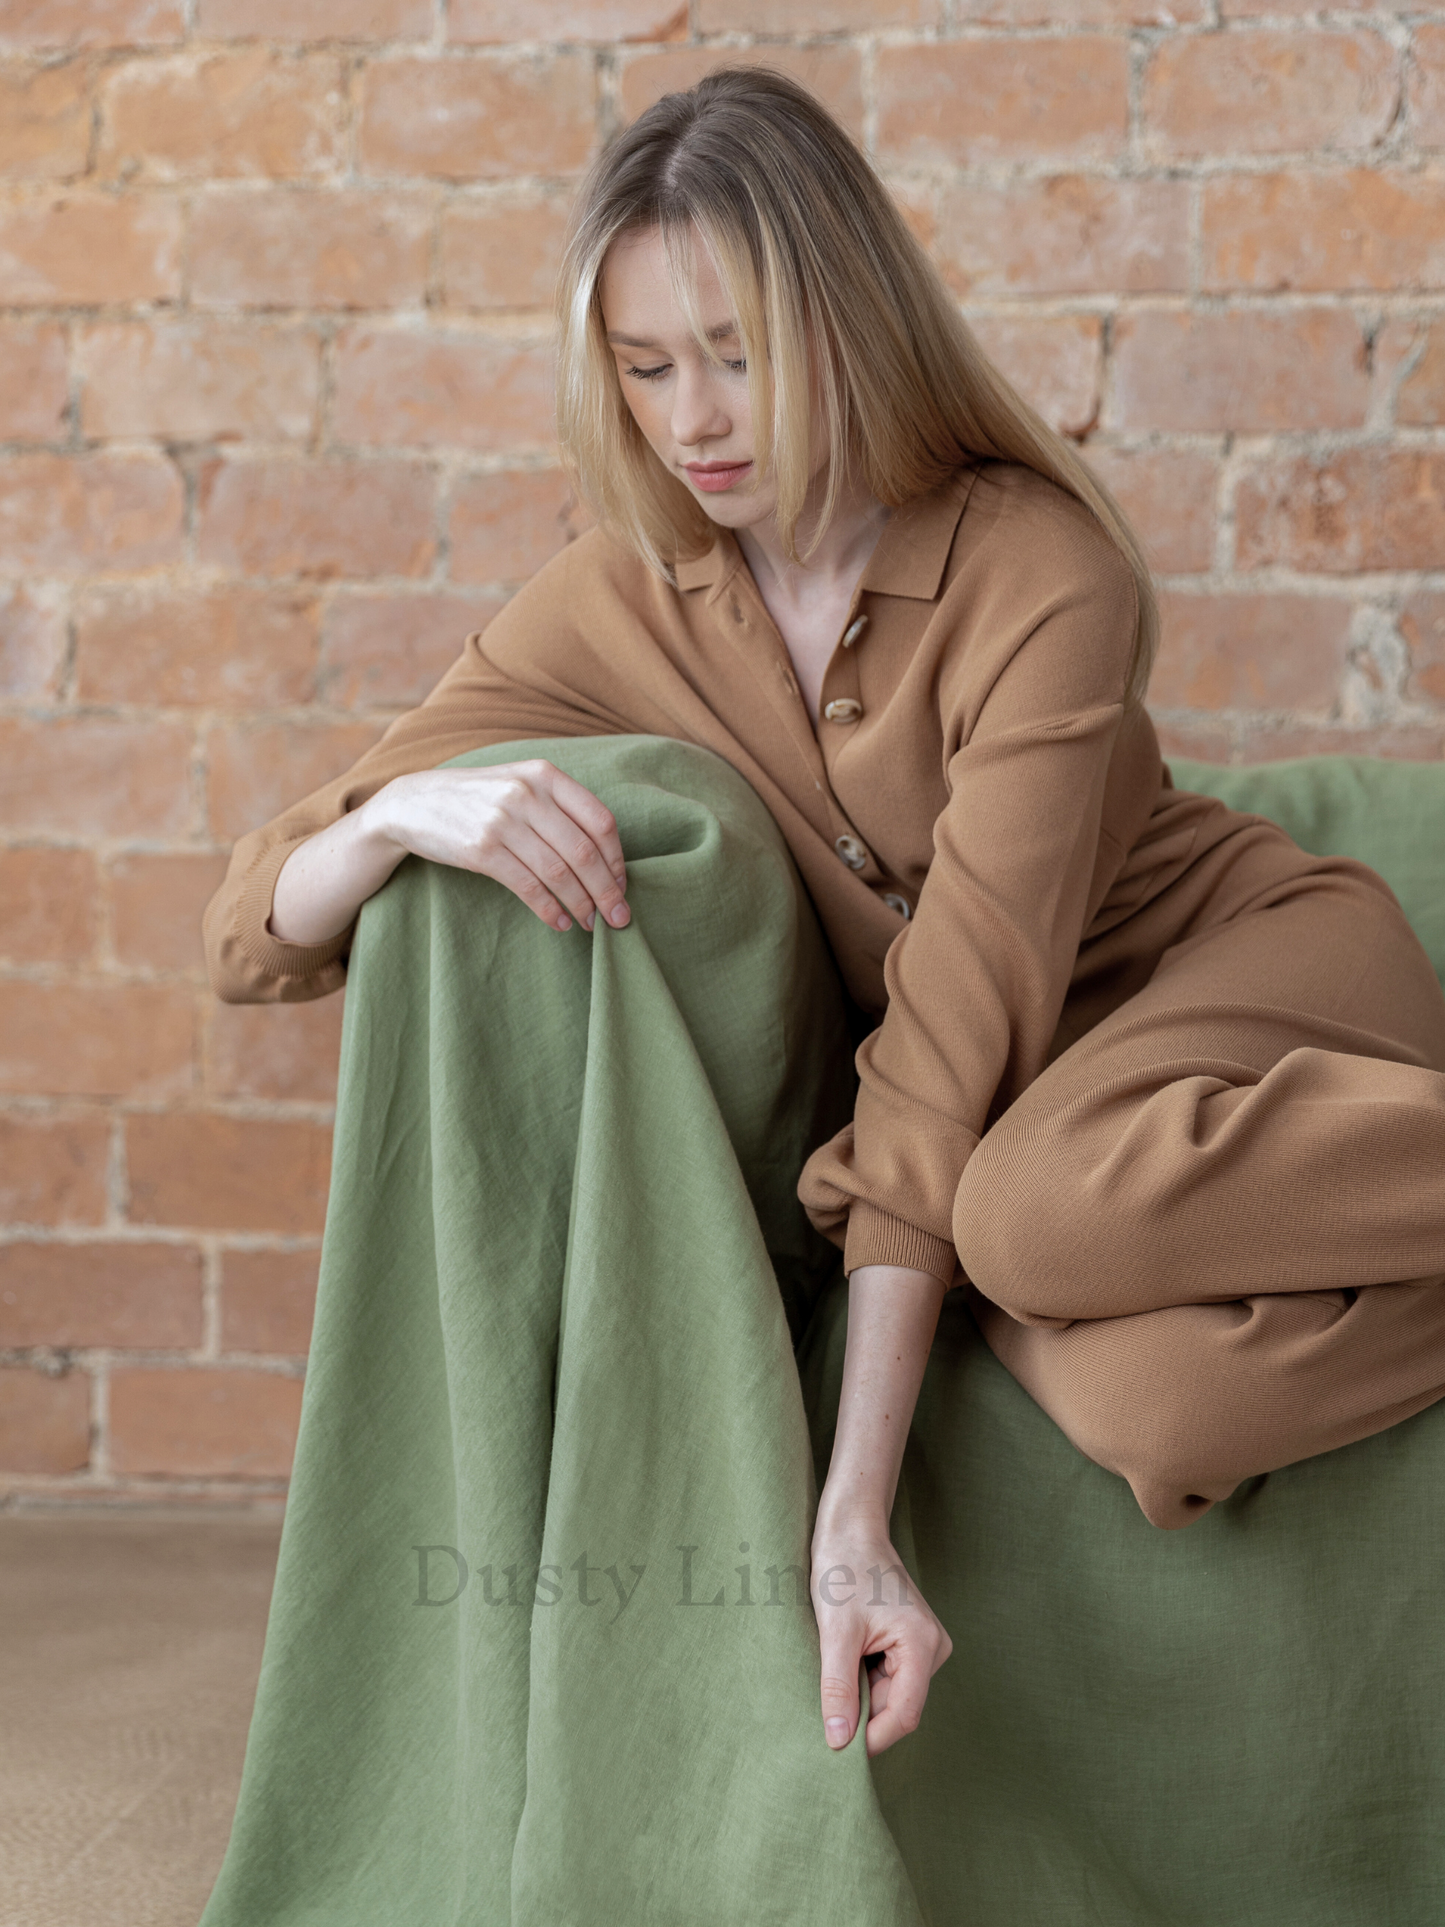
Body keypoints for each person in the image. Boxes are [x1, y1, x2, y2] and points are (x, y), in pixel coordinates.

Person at [204, 66, 1445, 1768]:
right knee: (1158, 1409)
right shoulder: (621, 601)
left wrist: (849, 1518)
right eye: (645, 368)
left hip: (1239, 988)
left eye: (737, 355)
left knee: (1027, 1215)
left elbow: (951, 1035)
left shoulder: (1033, 567)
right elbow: (245, 927)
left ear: (844, 326)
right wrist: (399, 815)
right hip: (1052, 1140)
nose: (695, 417)